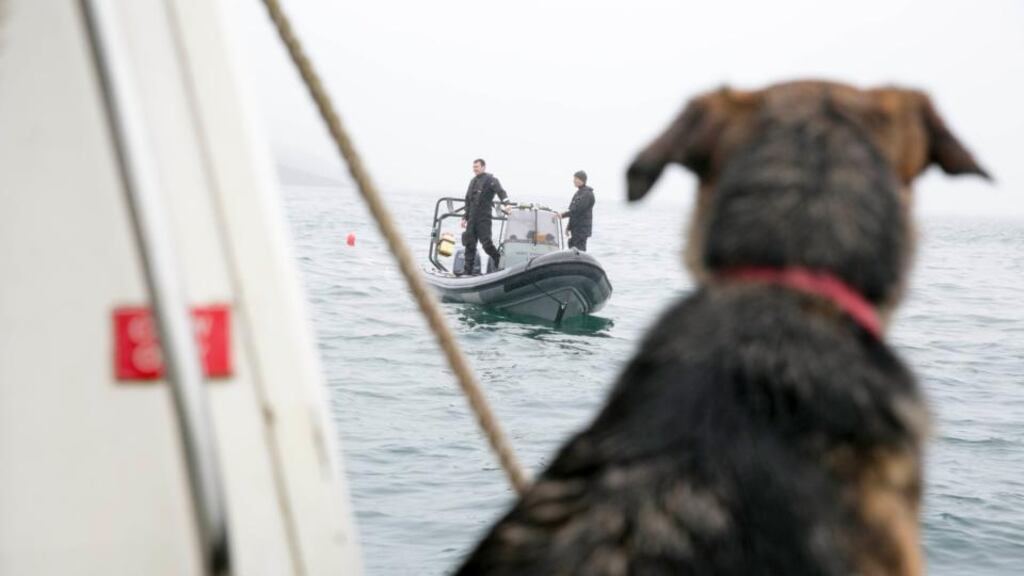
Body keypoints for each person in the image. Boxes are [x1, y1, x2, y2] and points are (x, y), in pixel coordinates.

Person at [460, 158, 510, 275]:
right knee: (469, 244)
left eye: (476, 167)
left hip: (484, 218)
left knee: (486, 244)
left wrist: (507, 204)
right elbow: (468, 200)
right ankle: (467, 271)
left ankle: (499, 262)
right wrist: (464, 217)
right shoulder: (472, 181)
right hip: (472, 218)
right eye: (473, 167)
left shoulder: (491, 180)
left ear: (483, 167)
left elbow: (501, 192)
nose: (474, 169)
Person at [562, 170, 595, 251]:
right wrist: (568, 227)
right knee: (571, 247)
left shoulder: (587, 194)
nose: (573, 180)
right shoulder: (578, 193)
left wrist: (562, 215)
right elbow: (573, 211)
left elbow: (577, 211)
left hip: (581, 231)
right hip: (575, 229)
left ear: (582, 180)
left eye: (576, 178)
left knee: (579, 251)